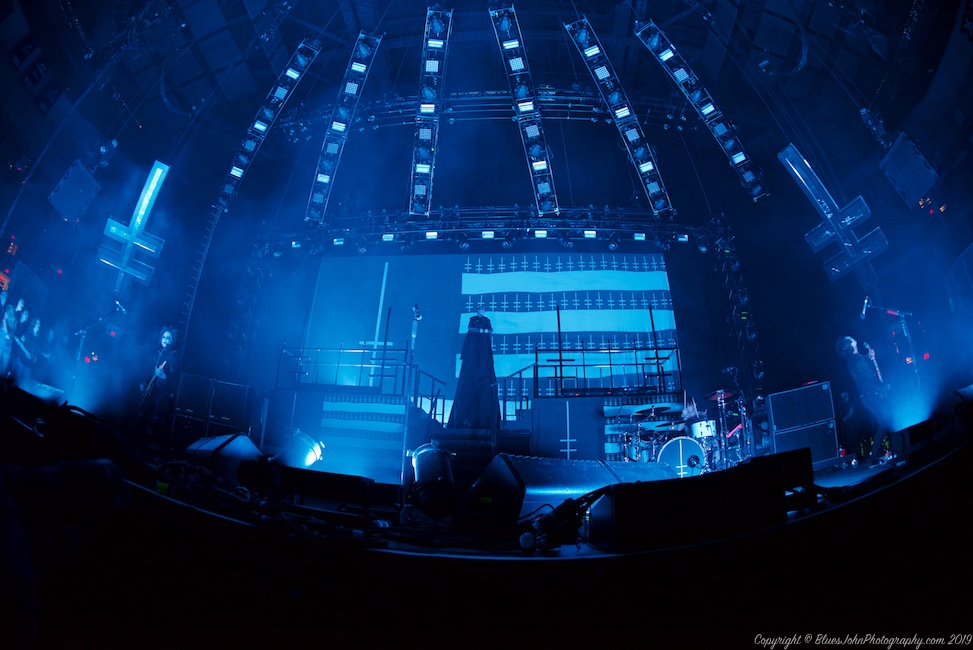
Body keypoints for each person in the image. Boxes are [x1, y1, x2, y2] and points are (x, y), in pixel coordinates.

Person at [835, 336, 903, 468]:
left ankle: (877, 454)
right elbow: (868, 379)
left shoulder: (853, 360)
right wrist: (882, 389)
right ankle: (887, 452)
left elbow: (863, 370)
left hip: (867, 397)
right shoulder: (857, 359)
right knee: (889, 420)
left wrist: (869, 357)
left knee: (885, 423)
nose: (852, 337)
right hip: (873, 395)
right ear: (850, 344)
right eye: (850, 338)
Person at [447, 305, 500, 430]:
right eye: (480, 310)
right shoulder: (473, 319)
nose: (481, 312)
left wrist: (481, 331)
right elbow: (471, 328)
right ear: (477, 311)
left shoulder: (486, 320)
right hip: (473, 344)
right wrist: (482, 331)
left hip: (483, 346)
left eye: (483, 310)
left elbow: (490, 330)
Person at [139, 327, 180, 450]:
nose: (165, 340)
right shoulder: (158, 353)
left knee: (157, 420)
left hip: (162, 393)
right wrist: (145, 383)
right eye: (164, 337)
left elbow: (175, 377)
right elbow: (152, 372)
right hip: (152, 390)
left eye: (168, 338)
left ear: (172, 341)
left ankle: (160, 451)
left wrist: (164, 377)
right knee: (144, 417)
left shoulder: (173, 355)